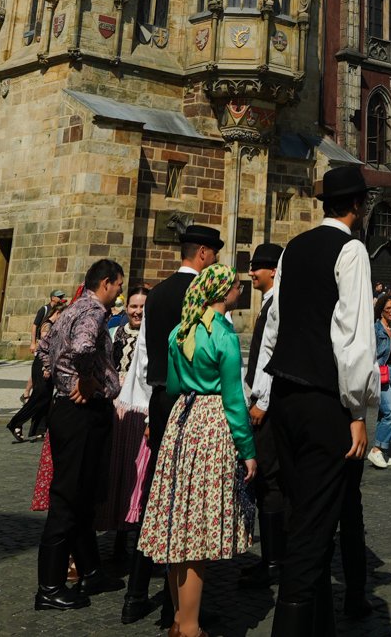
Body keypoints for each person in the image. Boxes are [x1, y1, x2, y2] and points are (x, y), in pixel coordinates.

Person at [261, 164, 378, 636]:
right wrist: (356, 411)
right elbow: (353, 339)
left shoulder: (293, 247)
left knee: (302, 514)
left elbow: (274, 326)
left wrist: (264, 395)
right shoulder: (351, 250)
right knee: (312, 530)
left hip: (284, 396)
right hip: (322, 401)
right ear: (357, 206)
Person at [141, 263, 256, 637]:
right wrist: (248, 449)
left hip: (182, 420)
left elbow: (173, 385)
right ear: (224, 293)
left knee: (180, 524)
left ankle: (179, 619)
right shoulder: (223, 336)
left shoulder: (180, 331)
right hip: (211, 423)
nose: (240, 290)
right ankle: (190, 627)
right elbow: (235, 400)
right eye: (236, 286)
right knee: (200, 533)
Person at [120, 224, 221, 624]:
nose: (214, 259)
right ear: (202, 254)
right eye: (213, 253)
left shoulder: (156, 294)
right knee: (188, 498)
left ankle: (135, 594)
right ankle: (175, 605)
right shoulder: (204, 295)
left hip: (161, 401)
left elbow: (144, 359)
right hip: (193, 401)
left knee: (158, 494)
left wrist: (147, 411)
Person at [36, 258, 124, 610]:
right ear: (105, 283)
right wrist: (84, 378)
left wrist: (57, 376)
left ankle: (90, 569)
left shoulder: (71, 309)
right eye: (118, 285)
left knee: (83, 496)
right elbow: (85, 347)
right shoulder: (94, 311)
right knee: (68, 497)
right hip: (81, 413)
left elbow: (45, 348)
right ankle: (50, 586)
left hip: (69, 410)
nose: (119, 291)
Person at [240, 245, 288, 590]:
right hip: (259, 402)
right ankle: (274, 557)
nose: (251, 273)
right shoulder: (268, 303)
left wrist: (262, 401)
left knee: (270, 480)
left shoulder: (277, 304)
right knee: (266, 482)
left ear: (272, 271)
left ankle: (274, 562)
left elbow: (272, 359)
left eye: (257, 267)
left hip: (266, 408)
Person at [100, 285, 154, 572]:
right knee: (118, 472)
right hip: (117, 408)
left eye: (143, 306)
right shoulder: (114, 334)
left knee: (138, 473)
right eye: (134, 306)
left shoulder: (153, 336)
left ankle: (137, 537)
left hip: (140, 409)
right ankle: (119, 537)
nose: (137, 311)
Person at [10, 290, 70, 443]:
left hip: (48, 365)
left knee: (45, 397)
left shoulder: (54, 326)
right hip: (42, 365)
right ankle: (16, 422)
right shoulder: (47, 327)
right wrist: (46, 367)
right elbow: (44, 349)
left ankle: (40, 430)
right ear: (57, 314)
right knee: (39, 397)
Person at [368, 293, 391, 469]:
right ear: (380, 311)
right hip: (380, 375)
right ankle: (375, 450)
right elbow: (369, 352)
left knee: (384, 414)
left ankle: (381, 452)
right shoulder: (375, 329)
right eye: (387, 309)